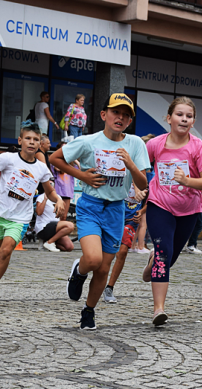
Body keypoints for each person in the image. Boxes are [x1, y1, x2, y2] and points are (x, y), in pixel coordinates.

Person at [51, 93, 150, 330]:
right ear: (104, 115)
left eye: (126, 115)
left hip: (117, 210)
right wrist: (82, 175)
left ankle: (89, 311)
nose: (120, 118)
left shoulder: (136, 143)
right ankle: (79, 271)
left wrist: (130, 164)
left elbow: (143, 183)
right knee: (93, 259)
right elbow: (54, 158)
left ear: (129, 122)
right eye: (116, 112)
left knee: (104, 268)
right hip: (91, 207)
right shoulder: (88, 141)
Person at [0, 122, 63, 308]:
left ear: (39, 144)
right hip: (0, 214)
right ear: (20, 140)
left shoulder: (42, 168)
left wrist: (57, 200)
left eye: (36, 140)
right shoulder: (8, 158)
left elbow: (49, 191)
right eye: (28, 138)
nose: (32, 142)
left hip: (21, 218)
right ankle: (3, 253)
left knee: (6, 250)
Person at [140, 97, 202, 325]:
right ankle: (158, 310)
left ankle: (154, 259)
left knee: (168, 257)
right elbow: (141, 168)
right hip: (160, 205)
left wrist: (188, 180)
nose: (184, 119)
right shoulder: (155, 145)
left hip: (189, 211)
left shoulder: (198, 147)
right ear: (169, 118)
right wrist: (138, 187)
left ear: (193, 122)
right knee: (164, 254)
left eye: (189, 116)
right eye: (179, 114)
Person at [104, 134, 156, 304]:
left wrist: (143, 210)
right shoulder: (120, 164)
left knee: (123, 251)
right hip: (113, 212)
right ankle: (96, 279)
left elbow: (152, 197)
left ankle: (109, 287)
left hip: (131, 218)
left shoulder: (152, 174)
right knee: (105, 254)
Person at [35, 182, 74, 252]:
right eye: (49, 186)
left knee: (69, 247)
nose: (51, 187)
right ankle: (49, 242)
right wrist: (45, 199)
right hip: (44, 226)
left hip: (55, 226)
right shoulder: (40, 197)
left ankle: (47, 242)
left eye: (52, 185)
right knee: (70, 226)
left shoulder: (58, 197)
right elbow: (39, 212)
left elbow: (62, 214)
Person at [50, 141, 76, 220]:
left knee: (64, 217)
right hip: (57, 192)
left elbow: (80, 169)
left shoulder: (72, 164)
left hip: (67, 192)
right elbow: (58, 168)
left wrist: (75, 160)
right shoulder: (55, 162)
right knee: (56, 216)